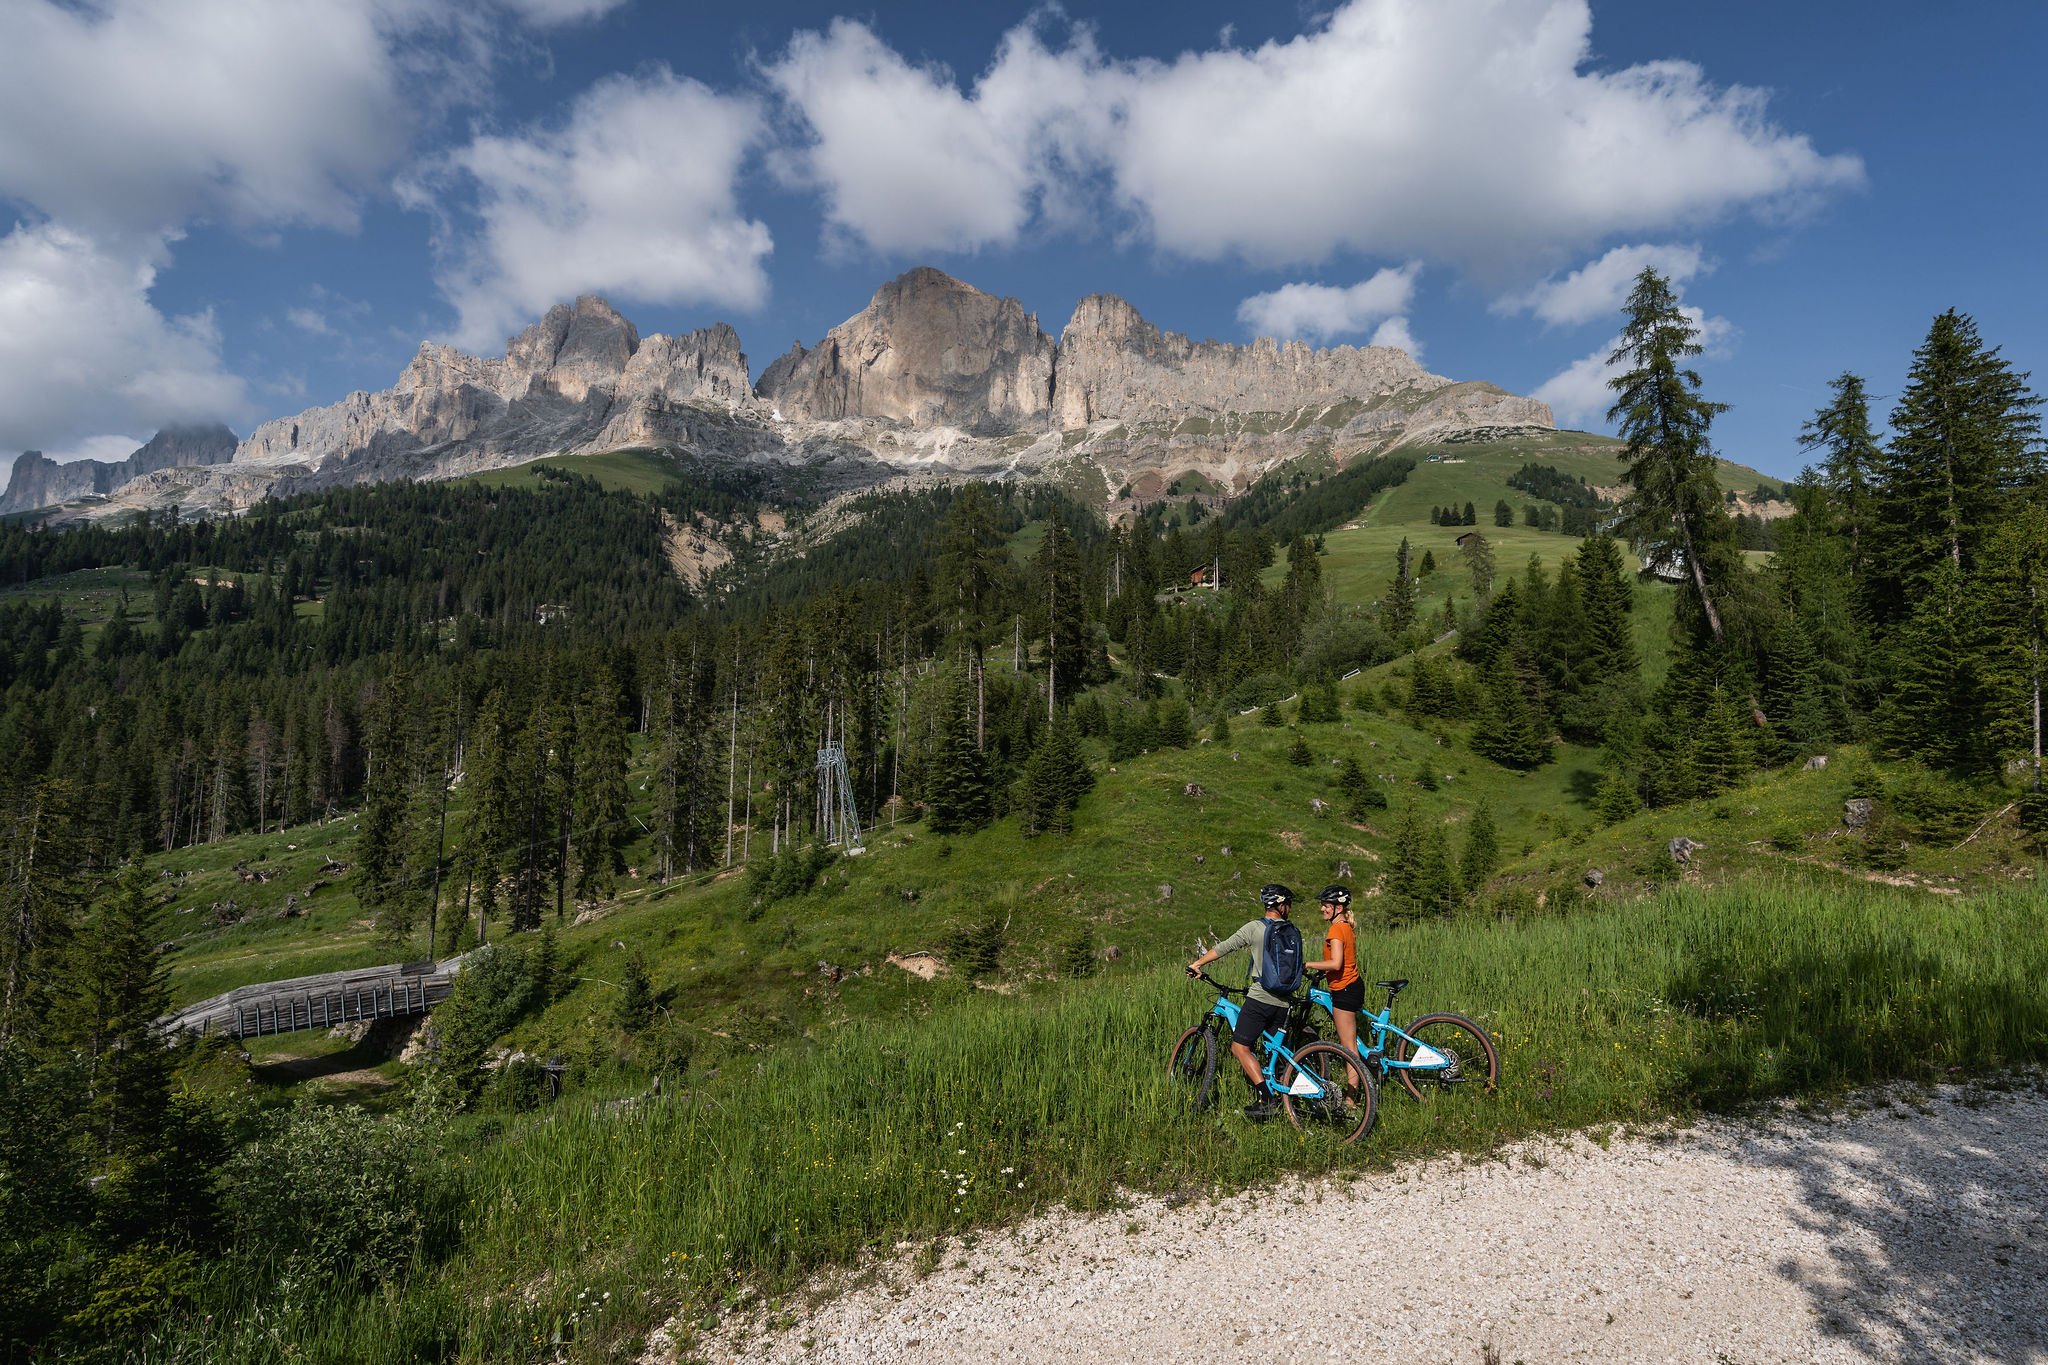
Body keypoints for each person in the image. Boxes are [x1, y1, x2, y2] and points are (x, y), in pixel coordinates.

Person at [1186, 883, 1300, 1119]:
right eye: (1288, 904)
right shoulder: (1292, 931)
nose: (1289, 908)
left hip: (1261, 998)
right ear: (1280, 905)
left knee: (1239, 1047)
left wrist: (1197, 964)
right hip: (1285, 1001)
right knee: (1274, 1052)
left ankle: (1266, 1099)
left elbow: (1224, 947)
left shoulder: (1255, 928)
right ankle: (1288, 1100)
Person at [1305, 884, 1363, 1060]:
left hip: (1344, 988)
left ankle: (1356, 1079)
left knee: (1348, 1048)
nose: (1322, 909)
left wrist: (1307, 964)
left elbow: (1336, 963)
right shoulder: (1346, 927)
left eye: (1326, 906)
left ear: (1339, 908)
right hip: (1351, 985)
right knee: (1350, 1043)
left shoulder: (1336, 929)